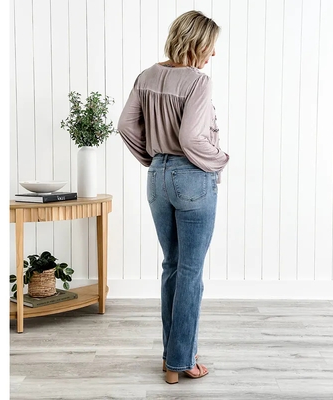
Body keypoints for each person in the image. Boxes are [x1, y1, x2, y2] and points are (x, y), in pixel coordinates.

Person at [117, 10, 229, 384]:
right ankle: (182, 361)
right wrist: (220, 160)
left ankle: (172, 360)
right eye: (211, 46)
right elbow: (192, 138)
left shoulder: (146, 76)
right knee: (190, 272)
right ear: (197, 43)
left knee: (172, 266)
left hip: (158, 179)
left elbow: (125, 125)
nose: (213, 54)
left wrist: (154, 159)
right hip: (192, 177)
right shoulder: (198, 81)